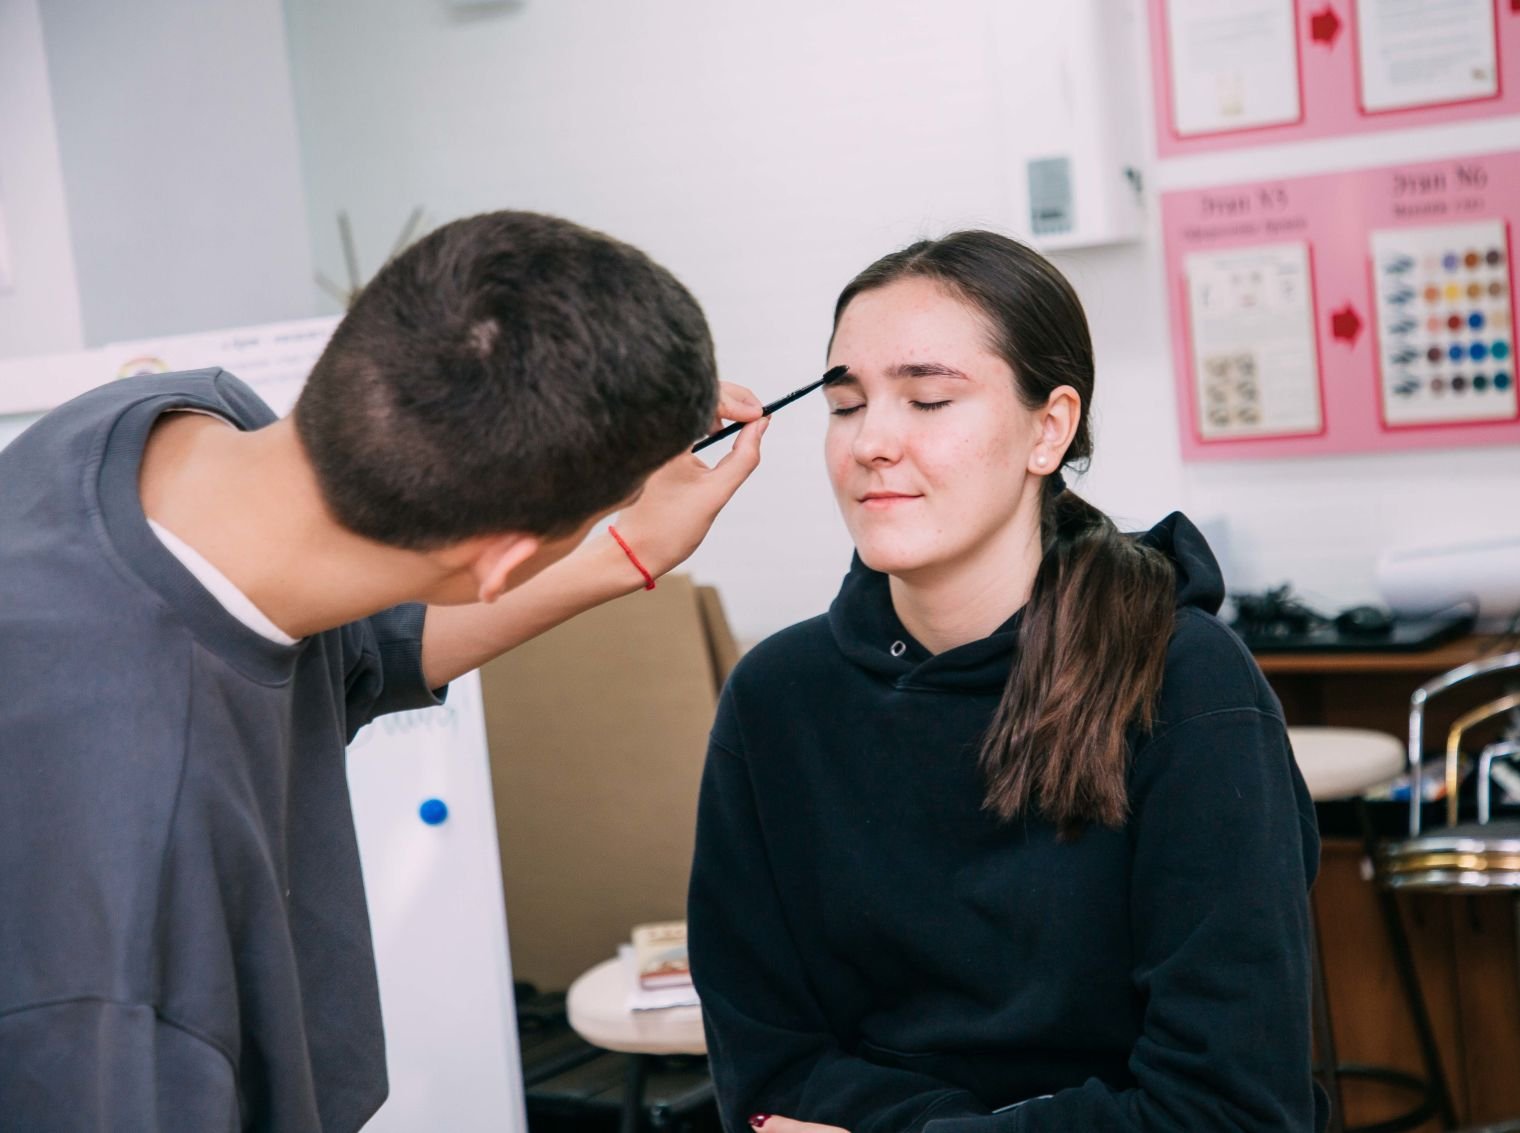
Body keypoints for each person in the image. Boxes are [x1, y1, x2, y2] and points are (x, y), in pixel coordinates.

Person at [0, 210, 769, 1132]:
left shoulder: (161, 429)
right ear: (501, 556)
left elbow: (365, 641)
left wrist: (621, 549)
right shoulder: (131, 937)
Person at [688, 230, 1324, 1133]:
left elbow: (1232, 1108)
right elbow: (766, 1070)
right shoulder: (774, 700)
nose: (872, 441)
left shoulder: (1184, 682)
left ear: (1048, 429)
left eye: (928, 399)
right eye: (845, 405)